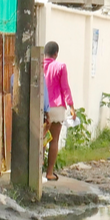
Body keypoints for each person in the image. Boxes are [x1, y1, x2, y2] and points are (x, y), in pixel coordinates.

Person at [42, 42, 75, 180]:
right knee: (53, 141)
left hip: (42, 107)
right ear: (56, 54)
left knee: (41, 139)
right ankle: (49, 173)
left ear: (44, 53)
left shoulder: (39, 65)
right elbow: (65, 88)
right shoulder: (61, 67)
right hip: (57, 107)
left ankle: (37, 172)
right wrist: (71, 106)